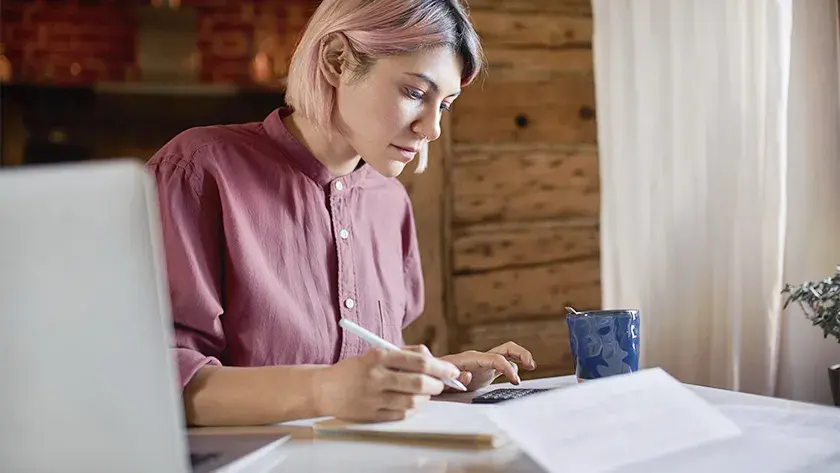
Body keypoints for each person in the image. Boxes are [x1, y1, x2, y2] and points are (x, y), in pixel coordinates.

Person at [146, 0, 536, 427]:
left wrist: (435, 376)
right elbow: (151, 379)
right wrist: (324, 390)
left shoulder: (390, 203)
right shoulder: (198, 170)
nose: (432, 129)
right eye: (414, 93)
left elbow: (352, 381)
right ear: (337, 60)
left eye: (443, 104)